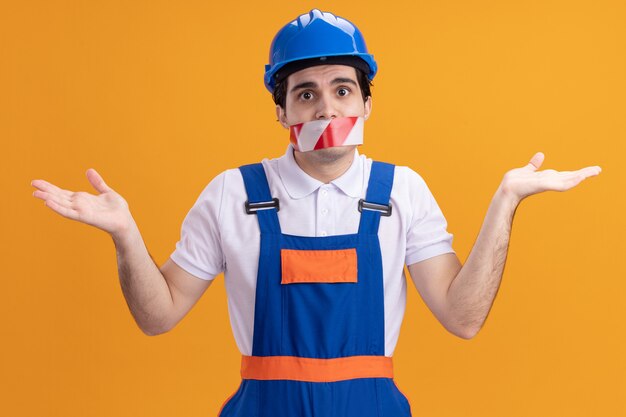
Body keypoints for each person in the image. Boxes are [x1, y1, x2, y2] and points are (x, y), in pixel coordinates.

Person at [31, 8, 601, 417]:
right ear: (281, 112)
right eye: (305, 93)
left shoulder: (401, 191)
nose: (327, 106)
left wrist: (506, 201)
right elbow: (159, 317)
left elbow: (463, 318)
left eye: (342, 90)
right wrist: (125, 232)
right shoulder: (233, 193)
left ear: (366, 103)